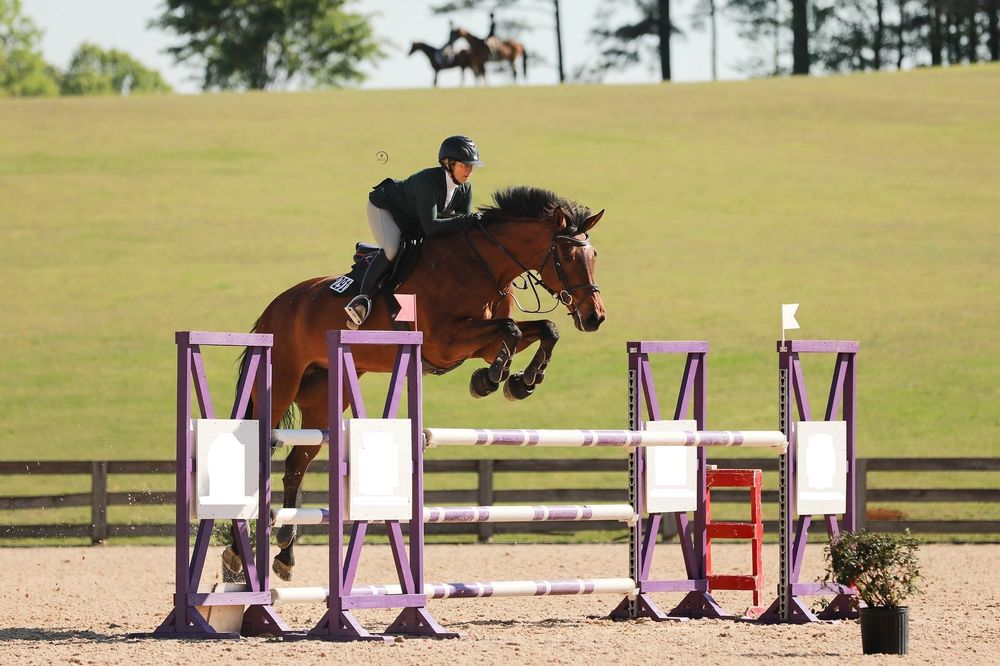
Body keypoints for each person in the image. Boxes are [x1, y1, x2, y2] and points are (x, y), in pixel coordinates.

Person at [343, 135, 484, 329]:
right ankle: (361, 301)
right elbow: (432, 227)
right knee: (392, 248)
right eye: (464, 165)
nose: (469, 170)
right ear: (447, 163)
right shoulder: (428, 181)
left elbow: (460, 230)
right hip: (386, 208)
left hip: (414, 220)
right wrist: (467, 220)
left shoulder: (464, 189)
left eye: (471, 166)